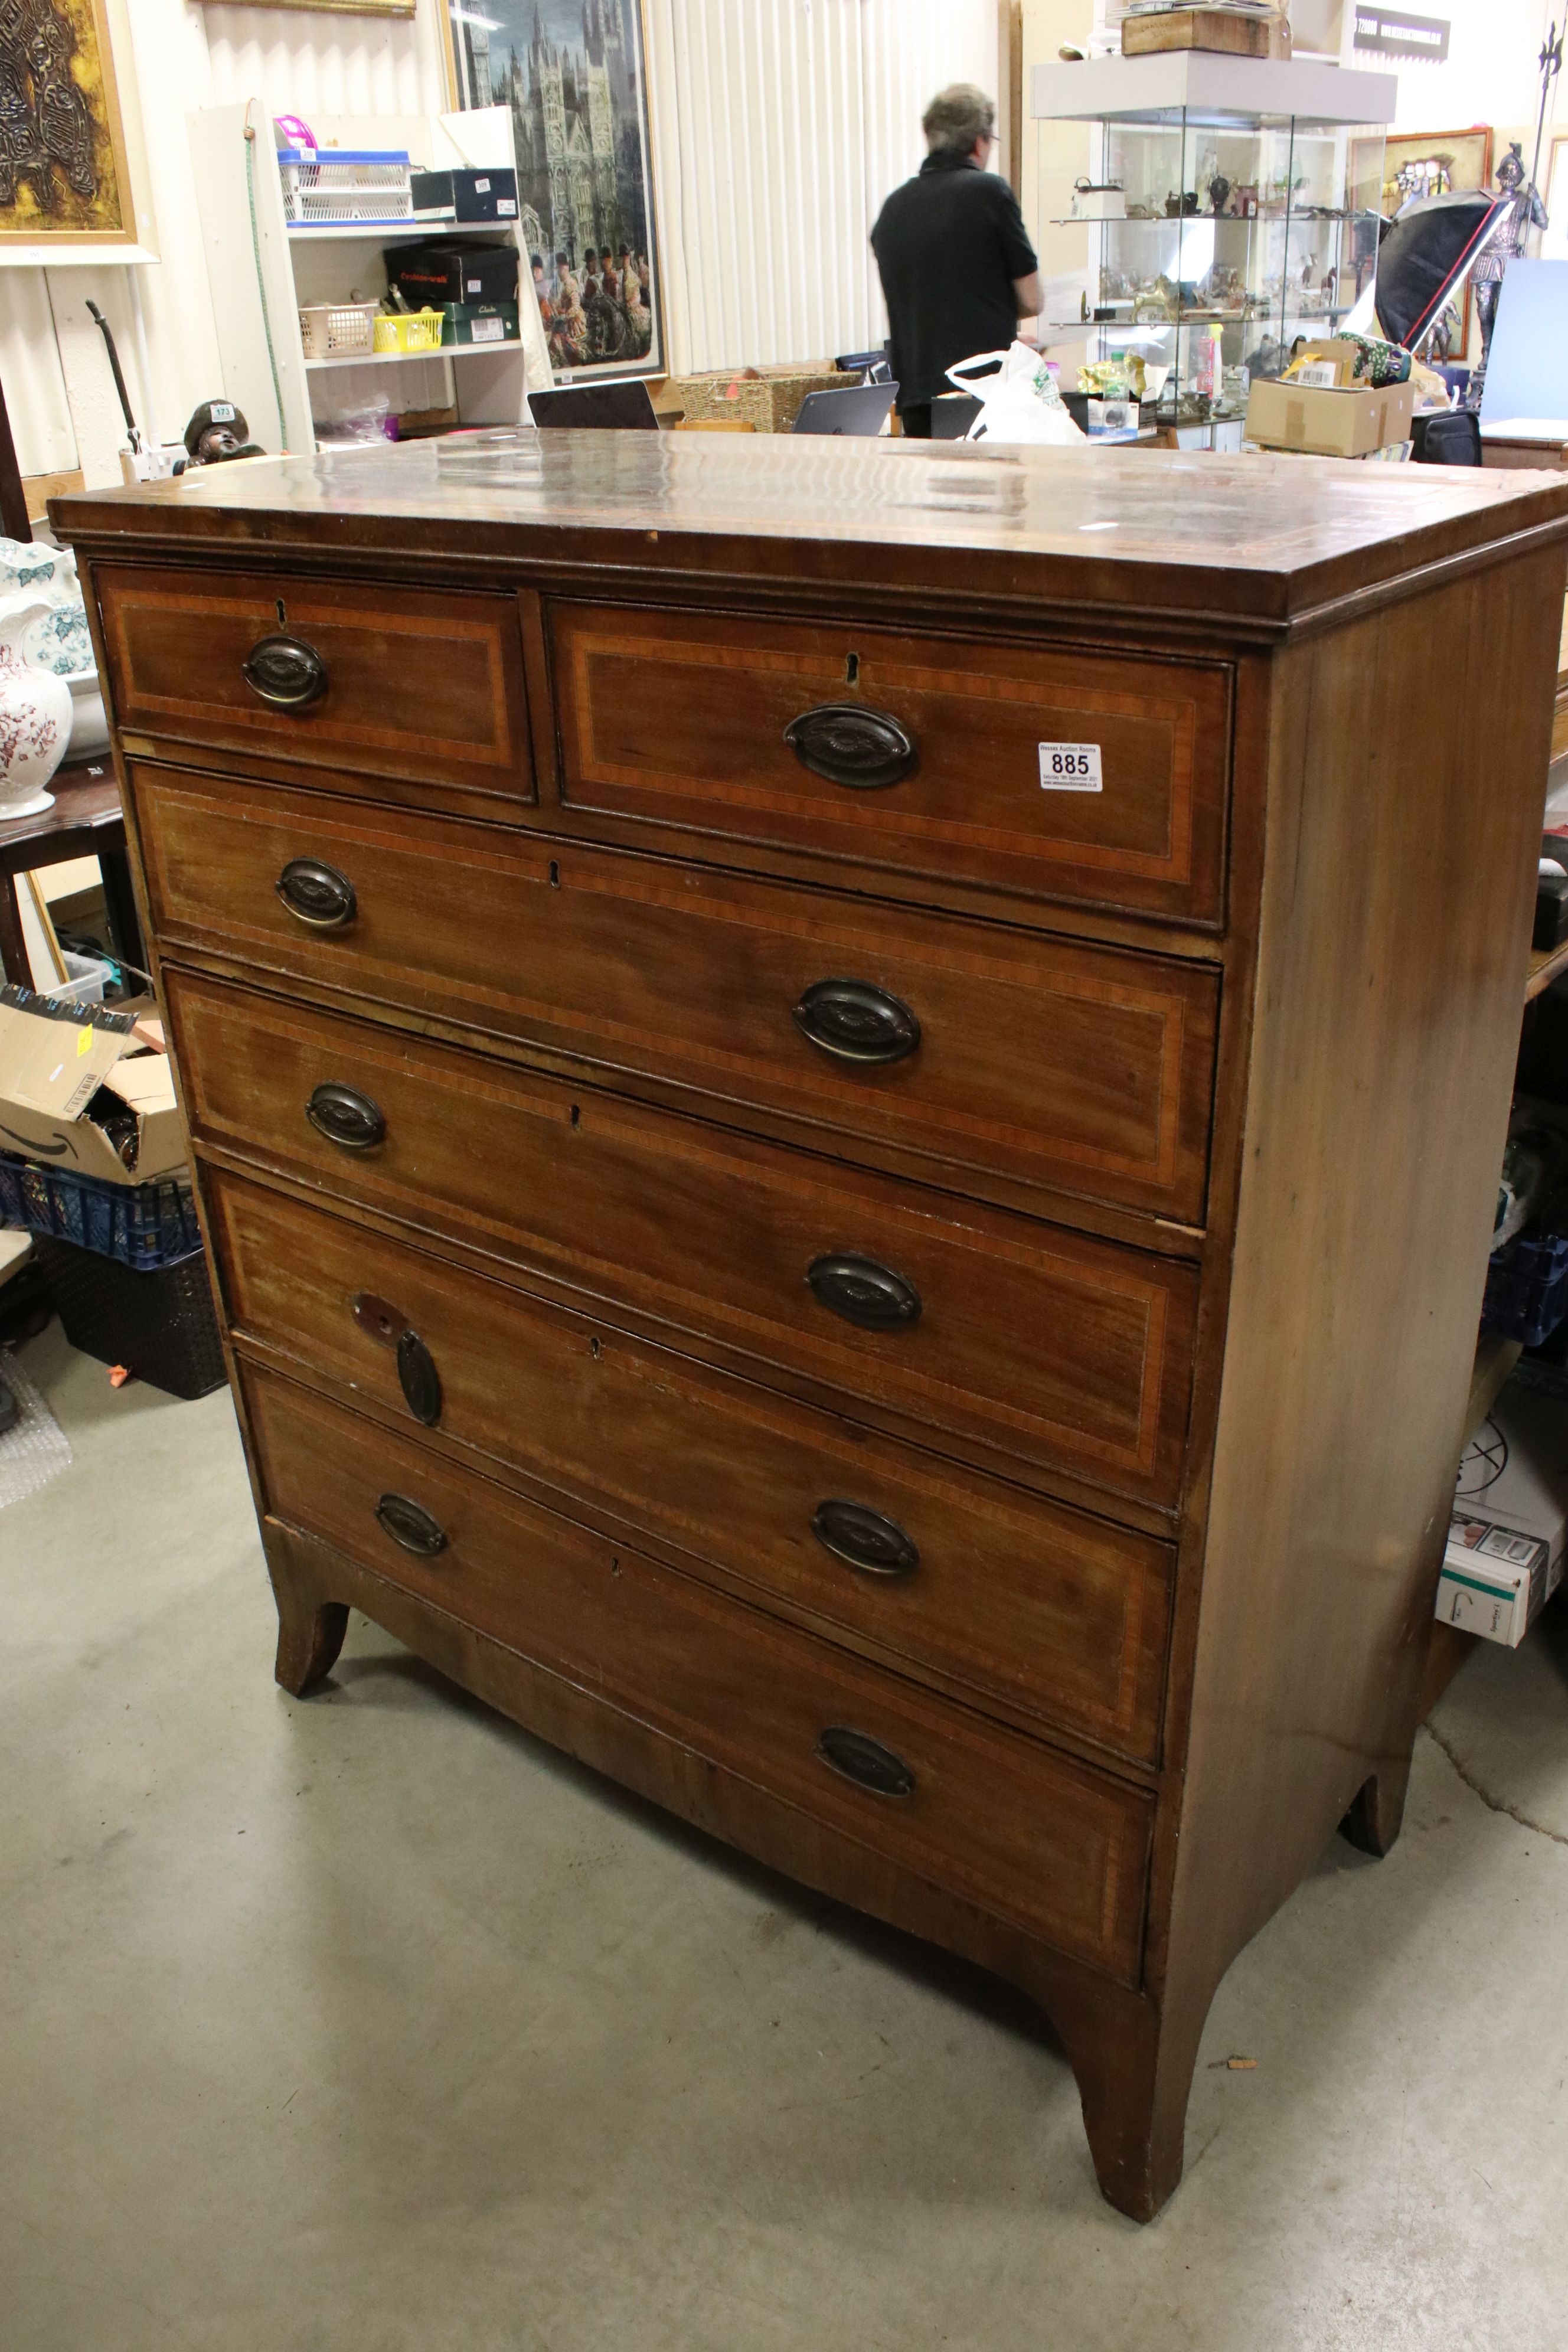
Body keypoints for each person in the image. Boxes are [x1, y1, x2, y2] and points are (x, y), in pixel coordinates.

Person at [870, 84, 1043, 438]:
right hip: (982, 395)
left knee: (936, 493)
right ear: (980, 142)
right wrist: (997, 321)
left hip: (917, 399)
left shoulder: (893, 210)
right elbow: (1031, 299)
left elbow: (924, 299)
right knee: (989, 492)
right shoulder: (989, 193)